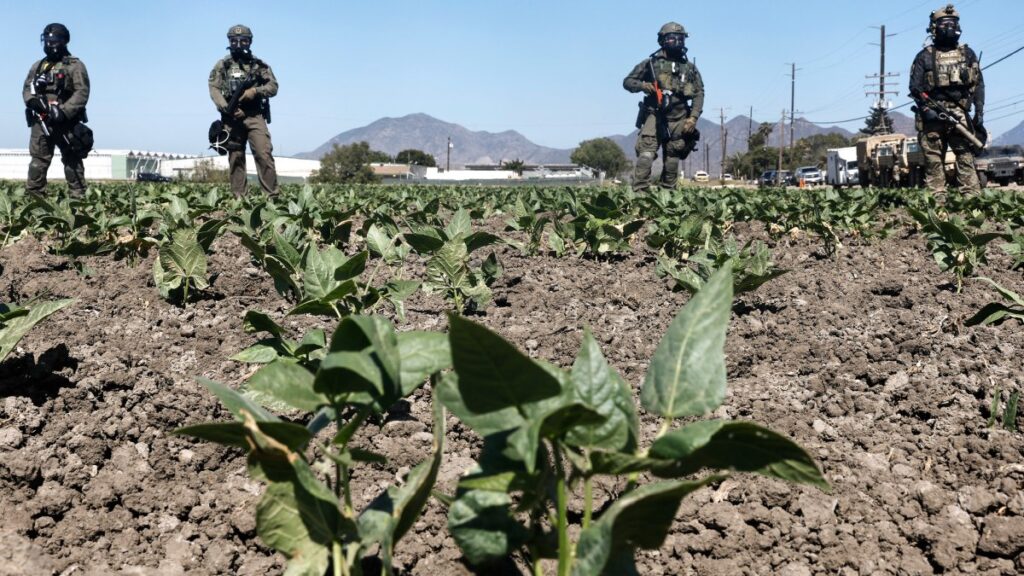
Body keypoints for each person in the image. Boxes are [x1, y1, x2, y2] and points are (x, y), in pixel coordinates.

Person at [909, 4, 985, 194]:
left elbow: (978, 85)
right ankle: (937, 207)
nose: (949, 27)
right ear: (934, 27)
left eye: (953, 23)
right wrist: (927, 111)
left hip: (959, 115)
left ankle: (971, 203)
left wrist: (979, 112)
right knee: (933, 162)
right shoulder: (924, 57)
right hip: (932, 117)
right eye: (944, 23)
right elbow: (915, 88)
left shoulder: (967, 54)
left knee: (965, 158)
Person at [623, 22, 704, 192]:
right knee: (646, 154)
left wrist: (693, 118)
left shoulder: (689, 68)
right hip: (655, 115)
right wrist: (643, 86)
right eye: (672, 38)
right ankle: (639, 194)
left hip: (680, 119)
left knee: (673, 158)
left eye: (680, 38)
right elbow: (628, 82)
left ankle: (668, 196)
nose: (677, 42)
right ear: (663, 41)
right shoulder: (650, 64)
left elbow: (699, 93)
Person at [208, 24, 279, 196]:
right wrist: (227, 108)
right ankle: (239, 199)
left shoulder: (259, 65)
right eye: (234, 41)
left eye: (243, 41)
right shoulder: (222, 65)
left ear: (250, 42)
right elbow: (214, 88)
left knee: (264, 154)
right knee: (236, 157)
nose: (239, 45)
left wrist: (255, 91)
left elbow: (273, 86)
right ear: (229, 42)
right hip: (232, 118)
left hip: (255, 116)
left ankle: (272, 199)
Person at [23, 23, 91, 197]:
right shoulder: (38, 66)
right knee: (38, 162)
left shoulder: (75, 65)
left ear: (64, 41)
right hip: (41, 122)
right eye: (46, 40)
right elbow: (26, 89)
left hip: (66, 123)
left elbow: (82, 92)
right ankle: (34, 199)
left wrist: (64, 111)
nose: (50, 45)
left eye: (54, 41)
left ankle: (78, 199)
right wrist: (33, 102)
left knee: (72, 162)